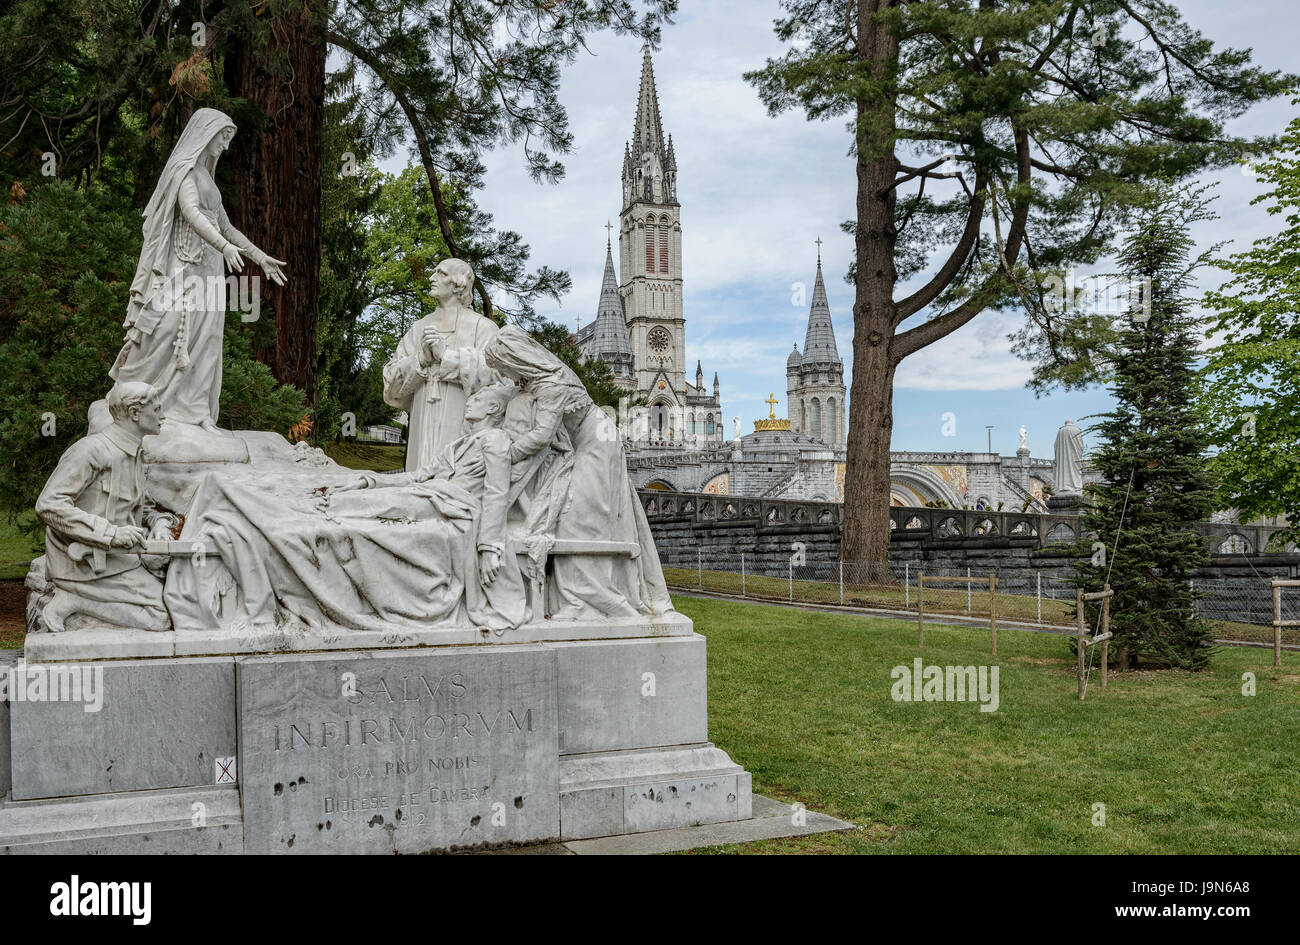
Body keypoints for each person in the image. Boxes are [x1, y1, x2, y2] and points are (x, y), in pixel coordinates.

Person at [109, 108, 287, 430]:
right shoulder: (186, 172)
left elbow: (227, 227)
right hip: (184, 264)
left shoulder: (208, 178)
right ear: (206, 133)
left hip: (211, 270)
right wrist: (223, 246)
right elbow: (191, 211)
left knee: (209, 338)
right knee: (167, 326)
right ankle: (133, 391)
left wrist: (259, 257)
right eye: (223, 137)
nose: (226, 146)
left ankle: (196, 412)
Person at [483, 326, 673, 619]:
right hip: (583, 442)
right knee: (570, 517)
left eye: (503, 368)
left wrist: (503, 455)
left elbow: (541, 436)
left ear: (515, 360)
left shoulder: (551, 384)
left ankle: (590, 601)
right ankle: (575, 600)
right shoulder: (536, 382)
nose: (506, 375)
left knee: (579, 519)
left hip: (597, 442)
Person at [35, 383, 178, 632]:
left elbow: (140, 506)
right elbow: (49, 505)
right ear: (135, 413)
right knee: (160, 616)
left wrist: (160, 522)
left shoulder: (134, 453)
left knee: (177, 600)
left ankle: (80, 599)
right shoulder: (91, 450)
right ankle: (75, 599)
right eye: (156, 410)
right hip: (83, 564)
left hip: (120, 559)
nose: (162, 416)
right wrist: (110, 533)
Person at [383, 258, 499, 472]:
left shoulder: (483, 328)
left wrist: (447, 358)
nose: (431, 278)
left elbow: (498, 378)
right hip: (421, 430)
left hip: (462, 433)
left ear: (458, 283)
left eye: (441, 273)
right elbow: (391, 386)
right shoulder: (418, 329)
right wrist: (420, 360)